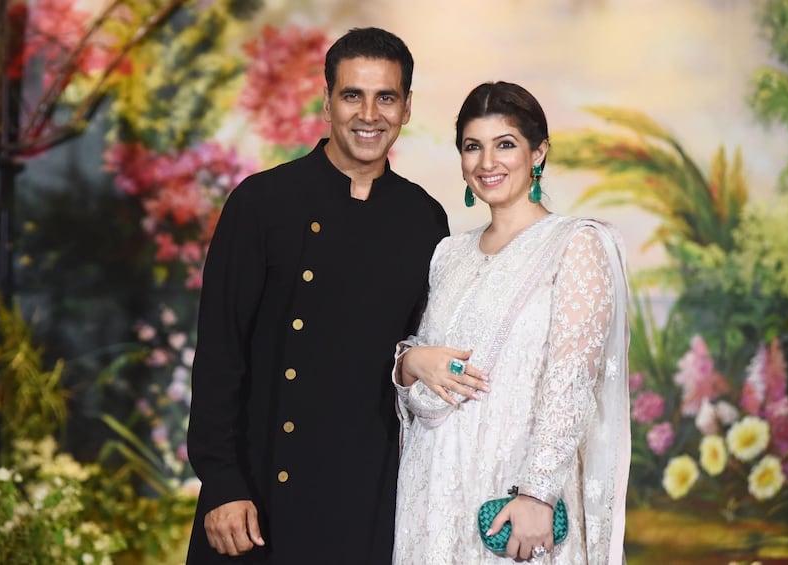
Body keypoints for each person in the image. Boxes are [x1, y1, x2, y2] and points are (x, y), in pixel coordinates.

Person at [185, 27, 449, 565]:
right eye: (353, 95)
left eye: (386, 97)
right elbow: (219, 353)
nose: (369, 114)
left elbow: (418, 351)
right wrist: (221, 482)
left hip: (367, 496)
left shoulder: (424, 219)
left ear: (406, 108)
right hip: (256, 497)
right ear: (326, 101)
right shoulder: (261, 203)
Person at [392, 81, 630, 564]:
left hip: (513, 493)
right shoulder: (448, 254)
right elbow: (427, 359)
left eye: (505, 145)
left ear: (538, 152)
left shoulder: (575, 244)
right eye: (472, 147)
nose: (487, 163)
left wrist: (538, 495)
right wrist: (410, 361)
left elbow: (571, 379)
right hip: (433, 487)